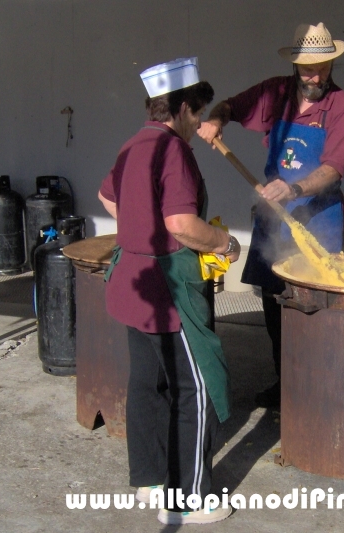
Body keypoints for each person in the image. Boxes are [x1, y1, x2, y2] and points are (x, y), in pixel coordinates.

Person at [97, 58, 238, 526]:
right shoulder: (173, 150)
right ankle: (189, 498)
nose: (198, 121)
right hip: (167, 289)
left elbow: (107, 197)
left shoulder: (132, 144)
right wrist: (225, 242)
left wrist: (137, 230)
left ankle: (151, 478)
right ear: (180, 107)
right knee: (193, 388)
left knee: (146, 382)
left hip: (131, 283)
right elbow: (181, 224)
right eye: (196, 111)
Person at [198, 22, 344, 409]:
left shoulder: (343, 106)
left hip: (318, 217)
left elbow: (334, 167)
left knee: (313, 303)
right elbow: (230, 106)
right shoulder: (274, 93)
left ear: (332, 65)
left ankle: (318, 386)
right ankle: (285, 382)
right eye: (307, 68)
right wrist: (217, 120)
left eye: (322, 68)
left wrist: (295, 188)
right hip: (274, 217)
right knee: (273, 302)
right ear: (295, 66)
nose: (314, 76)